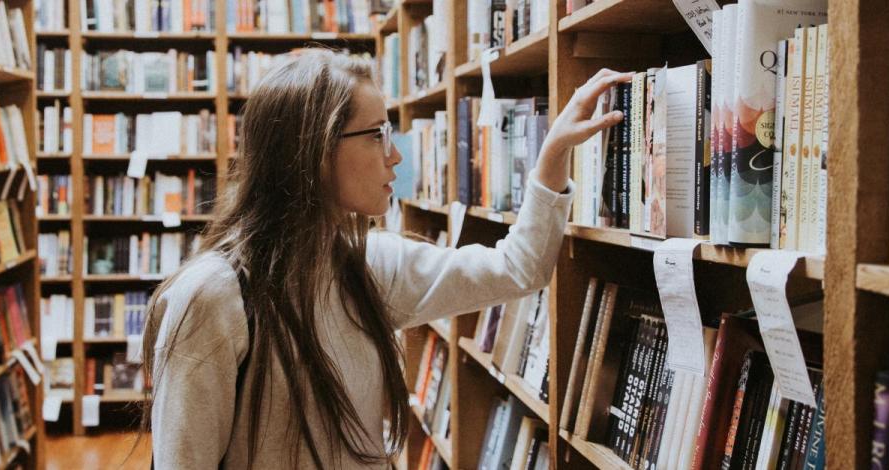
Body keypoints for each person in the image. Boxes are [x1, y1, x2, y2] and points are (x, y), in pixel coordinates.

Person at [142, 49, 629, 469]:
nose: (395, 156)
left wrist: (552, 155)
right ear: (314, 151)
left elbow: (518, 268)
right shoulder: (211, 297)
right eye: (376, 134)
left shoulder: (369, 266)